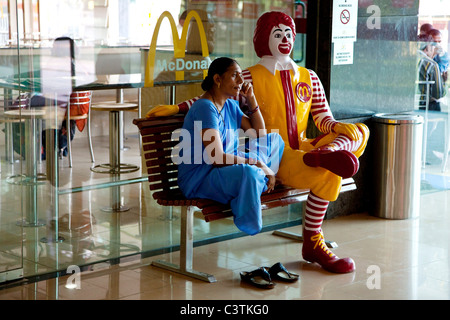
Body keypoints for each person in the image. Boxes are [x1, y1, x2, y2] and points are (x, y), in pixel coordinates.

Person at [147, 12, 369, 274]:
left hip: (274, 154)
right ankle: (272, 216)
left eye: (288, 33)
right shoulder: (219, 98)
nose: (285, 39)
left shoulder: (302, 79)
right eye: (278, 34)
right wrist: (176, 107)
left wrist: (252, 104)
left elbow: (267, 133)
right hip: (223, 170)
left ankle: (323, 153)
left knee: (296, 139)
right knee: (257, 170)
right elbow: (210, 130)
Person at [175, 57, 284, 236]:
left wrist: (252, 99)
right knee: (248, 172)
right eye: (235, 76)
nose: (241, 82)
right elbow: (216, 158)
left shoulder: (230, 105)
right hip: (201, 178)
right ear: (217, 79)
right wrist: (258, 164)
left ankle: (255, 182)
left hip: (226, 170)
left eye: (241, 76)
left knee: (275, 140)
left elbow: (260, 135)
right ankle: (254, 189)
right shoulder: (205, 108)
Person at [417, 34, 446, 111]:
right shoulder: (432, 65)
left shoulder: (414, 61)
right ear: (425, 50)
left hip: (419, 102)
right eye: (432, 47)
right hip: (431, 105)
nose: (434, 49)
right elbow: (438, 94)